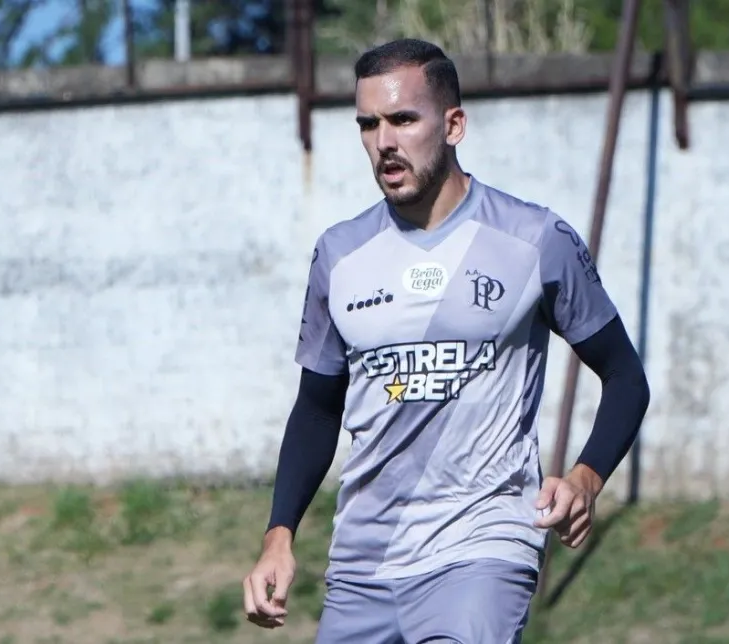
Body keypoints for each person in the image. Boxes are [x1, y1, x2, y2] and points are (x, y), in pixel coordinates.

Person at [242, 38, 650, 643]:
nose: (385, 142)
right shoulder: (339, 255)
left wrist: (585, 479)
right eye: (368, 125)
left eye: (404, 119)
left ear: (454, 123)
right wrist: (279, 537)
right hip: (363, 563)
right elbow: (317, 407)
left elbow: (625, 378)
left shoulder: (535, 239)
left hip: (482, 548)